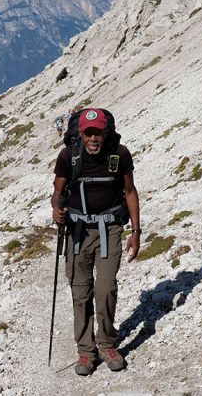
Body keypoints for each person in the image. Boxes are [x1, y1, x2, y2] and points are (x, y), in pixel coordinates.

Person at [51, 108, 141, 376]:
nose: (93, 138)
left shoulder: (119, 154)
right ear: (81, 133)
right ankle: (85, 351)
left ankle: (107, 344)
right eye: (88, 132)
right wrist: (57, 210)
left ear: (106, 132)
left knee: (105, 289)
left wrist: (136, 232)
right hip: (77, 231)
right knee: (80, 292)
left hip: (110, 228)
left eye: (98, 132)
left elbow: (129, 190)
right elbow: (57, 193)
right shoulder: (69, 156)